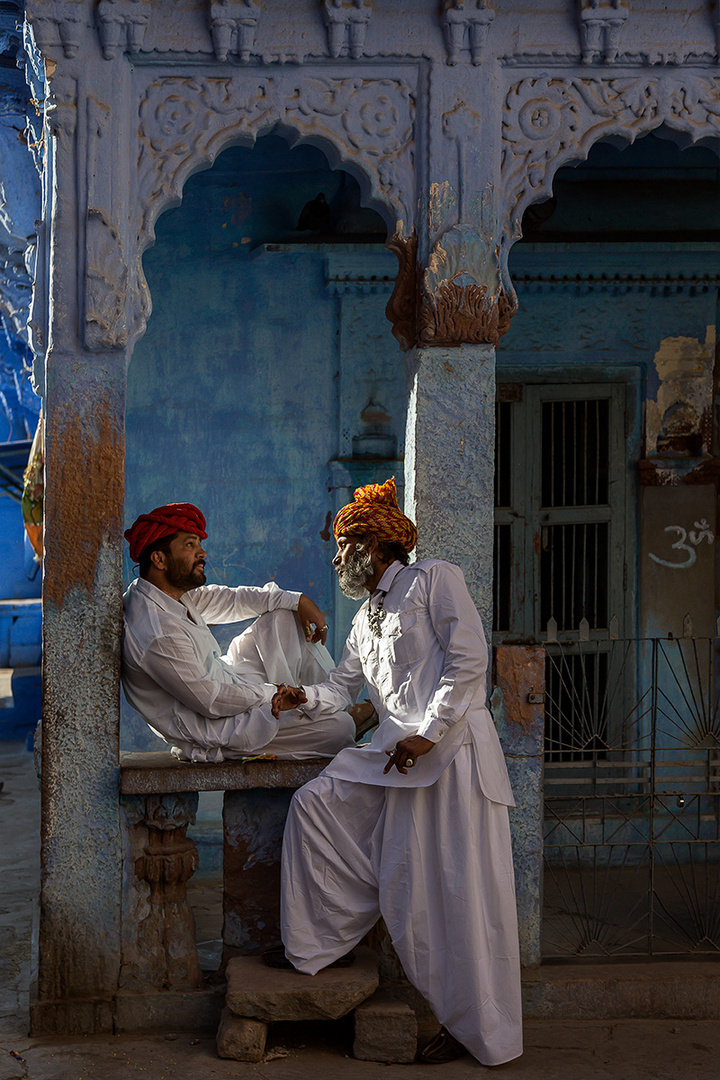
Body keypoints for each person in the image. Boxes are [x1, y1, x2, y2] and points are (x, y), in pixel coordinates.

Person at [277, 478, 523, 1066]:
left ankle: (477, 1031)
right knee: (322, 813)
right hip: (399, 761)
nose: (336, 559)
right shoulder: (365, 619)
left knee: (459, 895)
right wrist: (299, 698)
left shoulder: (435, 580)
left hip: (453, 758)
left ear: (373, 547)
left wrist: (428, 733)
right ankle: (318, 945)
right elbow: (341, 689)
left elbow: (467, 662)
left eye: (343, 546)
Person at [122, 501, 359, 763]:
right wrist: (273, 691)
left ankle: (329, 704)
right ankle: (335, 714)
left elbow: (231, 600)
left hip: (231, 679)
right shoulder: (155, 631)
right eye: (190, 545)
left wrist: (298, 600)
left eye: (199, 544)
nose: (202, 553)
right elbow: (210, 700)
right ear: (159, 559)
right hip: (216, 724)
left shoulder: (167, 593)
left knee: (284, 617)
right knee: (340, 730)